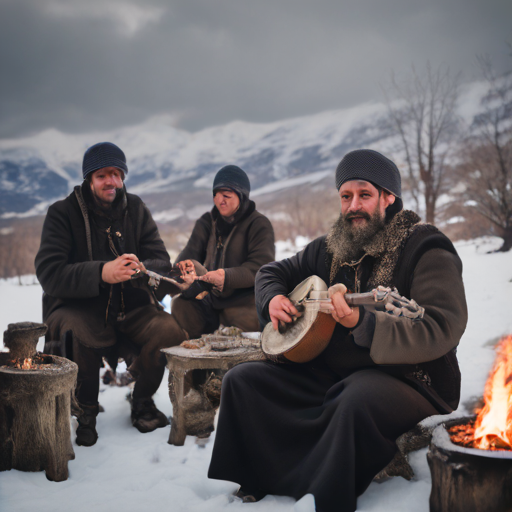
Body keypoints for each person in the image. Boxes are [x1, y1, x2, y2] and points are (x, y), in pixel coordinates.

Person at [208, 149, 468, 512]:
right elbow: (271, 272)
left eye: (365, 194)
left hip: (410, 379)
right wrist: (272, 299)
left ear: (388, 196)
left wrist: (365, 323)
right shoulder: (332, 247)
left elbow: (443, 325)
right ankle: (258, 480)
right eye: (346, 196)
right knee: (244, 380)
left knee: (353, 399)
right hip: (336, 372)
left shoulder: (426, 246)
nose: (353, 206)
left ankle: (325, 495)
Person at [35, 141, 180, 446]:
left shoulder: (136, 209)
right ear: (89, 179)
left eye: (117, 174)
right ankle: (85, 412)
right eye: (103, 175)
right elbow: (50, 273)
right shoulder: (62, 213)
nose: (111, 181)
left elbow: (160, 261)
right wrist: (101, 272)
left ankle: (141, 400)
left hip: (132, 307)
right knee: (77, 329)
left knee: (169, 328)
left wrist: (142, 269)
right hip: (81, 308)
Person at [169, 164, 275, 352]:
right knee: (180, 304)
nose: (219, 201)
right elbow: (188, 255)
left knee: (244, 321)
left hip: (244, 302)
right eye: (216, 195)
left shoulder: (258, 224)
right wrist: (181, 271)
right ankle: (197, 364)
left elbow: (260, 267)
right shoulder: (207, 222)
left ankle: (236, 371)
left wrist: (225, 277)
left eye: (226, 196)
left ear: (241, 197)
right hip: (211, 300)